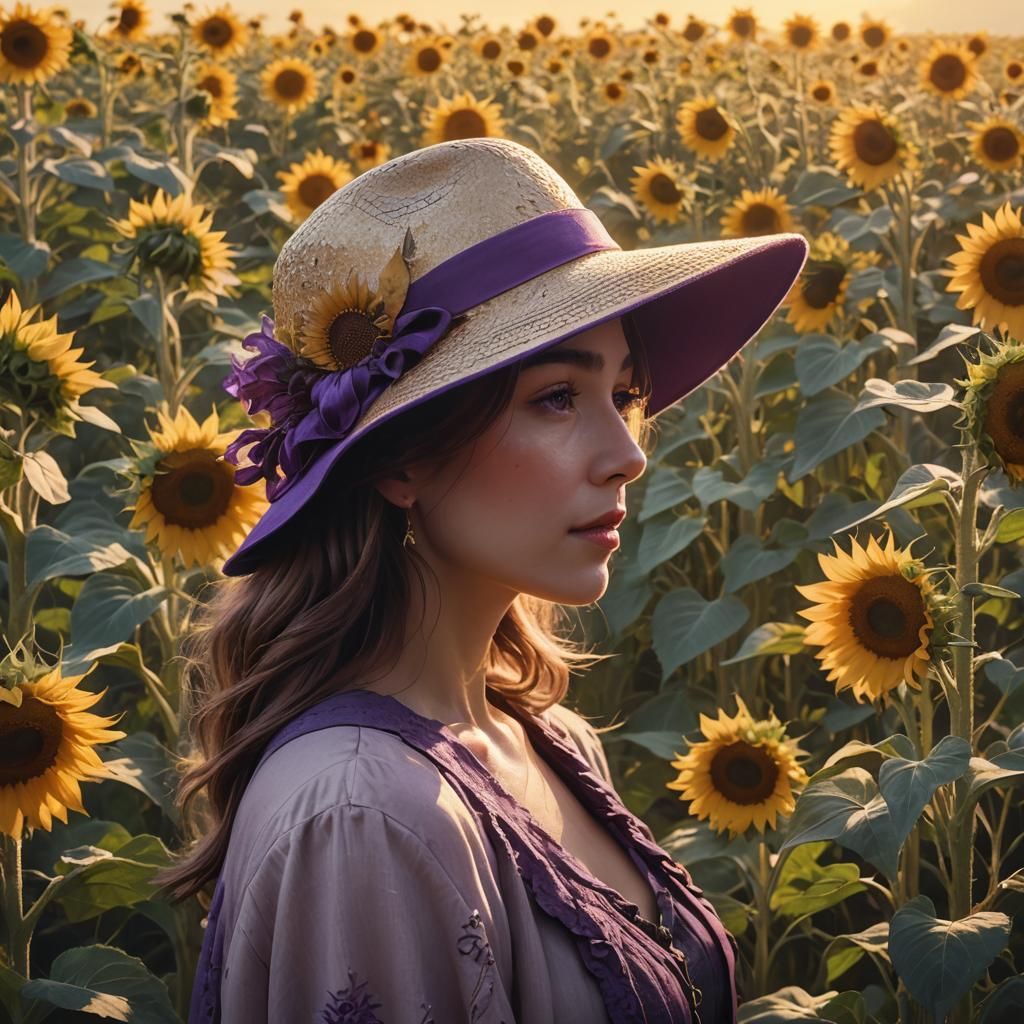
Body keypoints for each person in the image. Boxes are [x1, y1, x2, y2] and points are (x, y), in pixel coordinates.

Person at [154, 137, 809, 1024]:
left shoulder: (551, 739)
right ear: (402, 461)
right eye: (555, 398)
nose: (627, 457)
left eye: (623, 394)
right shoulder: (362, 815)